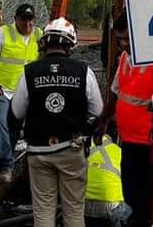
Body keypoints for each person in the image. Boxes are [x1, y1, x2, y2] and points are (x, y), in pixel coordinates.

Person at [11, 18, 103, 227]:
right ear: (70, 44)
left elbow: (16, 111)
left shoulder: (29, 71)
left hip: (38, 150)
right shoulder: (83, 71)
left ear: (44, 42)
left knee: (43, 210)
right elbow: (97, 110)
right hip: (72, 148)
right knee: (74, 209)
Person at [94, 15, 153, 227]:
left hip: (149, 141)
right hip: (128, 138)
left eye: (127, 39)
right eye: (120, 39)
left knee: (147, 192)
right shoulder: (124, 59)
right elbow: (115, 92)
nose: (124, 44)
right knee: (130, 187)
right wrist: (103, 120)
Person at [0, 2, 42, 183]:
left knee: (14, 127)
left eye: (31, 20)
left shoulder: (39, 35)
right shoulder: (2, 34)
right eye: (24, 20)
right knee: (0, 122)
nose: (28, 24)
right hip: (2, 90)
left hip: (23, 92)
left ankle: (5, 163)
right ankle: (6, 165)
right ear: (16, 19)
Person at [84, 134, 131, 227]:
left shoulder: (85, 151)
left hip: (84, 205)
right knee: (130, 211)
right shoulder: (118, 151)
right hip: (110, 208)